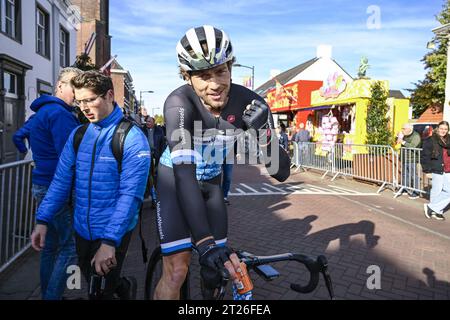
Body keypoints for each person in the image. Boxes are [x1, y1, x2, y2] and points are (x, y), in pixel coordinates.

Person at [154, 25, 291, 300]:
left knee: (217, 271)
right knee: (177, 272)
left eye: (220, 71)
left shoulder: (251, 102)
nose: (215, 83)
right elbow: (184, 176)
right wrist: (203, 243)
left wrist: (264, 135)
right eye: (203, 76)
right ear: (187, 77)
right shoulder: (179, 104)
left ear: (231, 66)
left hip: (212, 184)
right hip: (175, 181)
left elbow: (281, 174)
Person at [31, 71, 151, 299]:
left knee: (99, 292)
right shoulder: (78, 134)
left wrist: (109, 242)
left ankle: (118, 287)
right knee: (90, 281)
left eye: (90, 100)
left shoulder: (132, 138)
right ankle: (123, 287)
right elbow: (60, 182)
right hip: (82, 228)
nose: (84, 107)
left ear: (108, 95)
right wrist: (43, 219)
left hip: (113, 230)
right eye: (79, 101)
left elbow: (130, 196)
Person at [27, 67, 82, 300]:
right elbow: (68, 157)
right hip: (55, 188)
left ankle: (50, 295)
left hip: (42, 184)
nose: (77, 95)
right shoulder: (60, 114)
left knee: (50, 247)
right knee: (71, 248)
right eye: (74, 88)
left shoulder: (43, 111)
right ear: (60, 86)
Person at [421, 121, 450, 221]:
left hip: (447, 169)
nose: (443, 131)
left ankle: (432, 208)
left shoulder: (448, 140)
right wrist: (427, 170)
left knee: (448, 191)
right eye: (442, 128)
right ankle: (437, 211)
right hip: (436, 168)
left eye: (445, 129)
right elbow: (425, 156)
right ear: (437, 128)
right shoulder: (430, 140)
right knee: (436, 191)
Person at [397, 123, 422, 199]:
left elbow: (413, 146)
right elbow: (398, 141)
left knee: (413, 175)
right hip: (404, 157)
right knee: (405, 174)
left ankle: (416, 192)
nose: (402, 130)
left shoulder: (416, 136)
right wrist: (399, 137)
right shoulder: (404, 135)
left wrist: (403, 142)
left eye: (404, 129)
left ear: (409, 129)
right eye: (402, 128)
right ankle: (404, 188)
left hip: (412, 159)